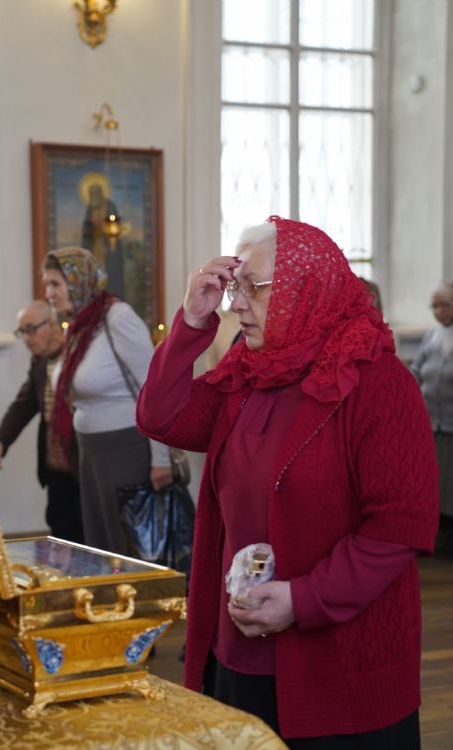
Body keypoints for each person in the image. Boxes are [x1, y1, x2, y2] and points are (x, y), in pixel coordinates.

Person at [136, 216, 439, 747]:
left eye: (252, 287)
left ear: (306, 289)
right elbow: (160, 417)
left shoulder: (377, 381)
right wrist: (191, 322)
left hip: (339, 665)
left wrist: (303, 600)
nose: (236, 305)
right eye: (234, 287)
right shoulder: (249, 372)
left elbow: (398, 527)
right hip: (241, 646)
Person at [41, 247, 173, 556]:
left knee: (129, 547)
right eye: (46, 285)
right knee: (100, 544)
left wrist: (161, 458)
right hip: (91, 452)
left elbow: (154, 388)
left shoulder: (117, 317)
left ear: (79, 280)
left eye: (56, 284)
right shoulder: (79, 326)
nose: (49, 293)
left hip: (125, 449)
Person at [0, 300, 83, 543]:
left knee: (88, 536)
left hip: (82, 464)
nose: (27, 338)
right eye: (22, 332)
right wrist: (0, 442)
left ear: (52, 325)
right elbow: (23, 405)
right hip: (55, 467)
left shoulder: (78, 355)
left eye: (31, 329)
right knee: (61, 534)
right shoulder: (39, 362)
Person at [410, 280, 453, 559]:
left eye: (443, 305)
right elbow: (416, 369)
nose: (438, 311)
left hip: (451, 423)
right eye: (434, 306)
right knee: (435, 482)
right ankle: (437, 535)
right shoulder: (433, 335)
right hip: (431, 422)